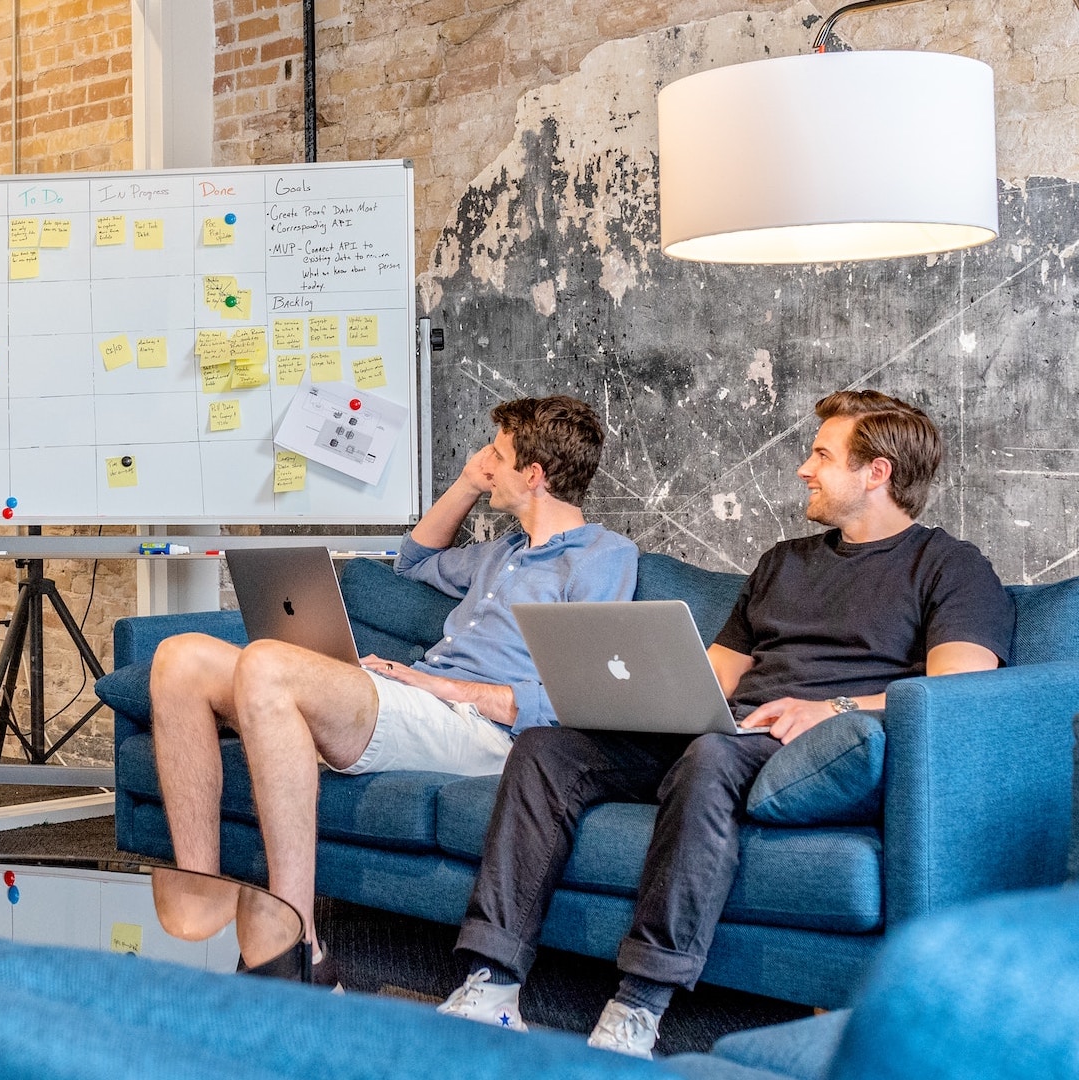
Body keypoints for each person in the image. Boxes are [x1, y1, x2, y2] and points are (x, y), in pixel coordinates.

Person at [438, 390, 1015, 1057]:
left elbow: (958, 689)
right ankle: (492, 982)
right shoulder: (783, 562)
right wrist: (634, 696)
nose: (804, 467)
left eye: (822, 454)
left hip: (820, 748)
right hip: (730, 734)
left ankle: (638, 1005)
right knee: (546, 748)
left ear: (876, 472)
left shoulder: (950, 566)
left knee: (710, 755)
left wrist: (832, 708)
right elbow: (712, 677)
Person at [149, 396, 639, 983]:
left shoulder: (602, 558)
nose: (484, 461)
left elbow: (574, 699)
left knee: (268, 665)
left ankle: (299, 945)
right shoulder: (502, 554)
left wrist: (439, 684)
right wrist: (464, 484)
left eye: (497, 455)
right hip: (420, 705)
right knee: (180, 658)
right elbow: (412, 561)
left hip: (484, 733)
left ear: (533, 476)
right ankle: (202, 888)